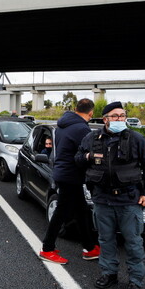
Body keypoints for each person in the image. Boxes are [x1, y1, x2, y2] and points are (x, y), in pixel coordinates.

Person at [75, 101, 145, 289]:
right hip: (102, 200)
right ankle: (109, 273)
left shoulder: (136, 139)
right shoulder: (91, 138)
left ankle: (135, 280)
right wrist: (87, 156)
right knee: (105, 240)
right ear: (105, 119)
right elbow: (77, 159)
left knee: (133, 242)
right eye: (115, 116)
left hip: (129, 200)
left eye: (122, 115)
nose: (120, 119)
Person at [38, 98, 99, 265]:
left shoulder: (62, 125)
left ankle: (89, 247)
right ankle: (47, 249)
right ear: (91, 113)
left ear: (76, 108)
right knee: (62, 212)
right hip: (71, 175)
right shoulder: (81, 128)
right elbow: (87, 152)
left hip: (64, 173)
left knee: (81, 210)